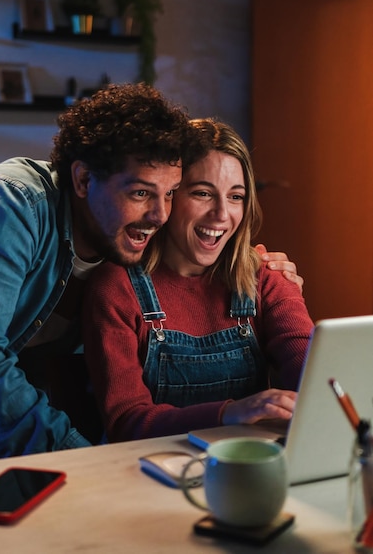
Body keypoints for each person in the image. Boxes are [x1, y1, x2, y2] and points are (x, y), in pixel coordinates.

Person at [0, 83, 302, 463]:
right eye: (140, 194)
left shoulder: (122, 245)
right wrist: (83, 464)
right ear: (84, 181)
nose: (159, 215)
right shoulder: (11, 205)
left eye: (170, 193)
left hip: (5, 402)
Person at [82, 118, 314, 443]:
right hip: (146, 472)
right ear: (169, 197)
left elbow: (311, 374)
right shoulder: (116, 287)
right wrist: (229, 413)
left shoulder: (265, 276)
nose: (221, 214)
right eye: (203, 193)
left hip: (243, 467)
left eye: (236, 196)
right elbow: (127, 422)